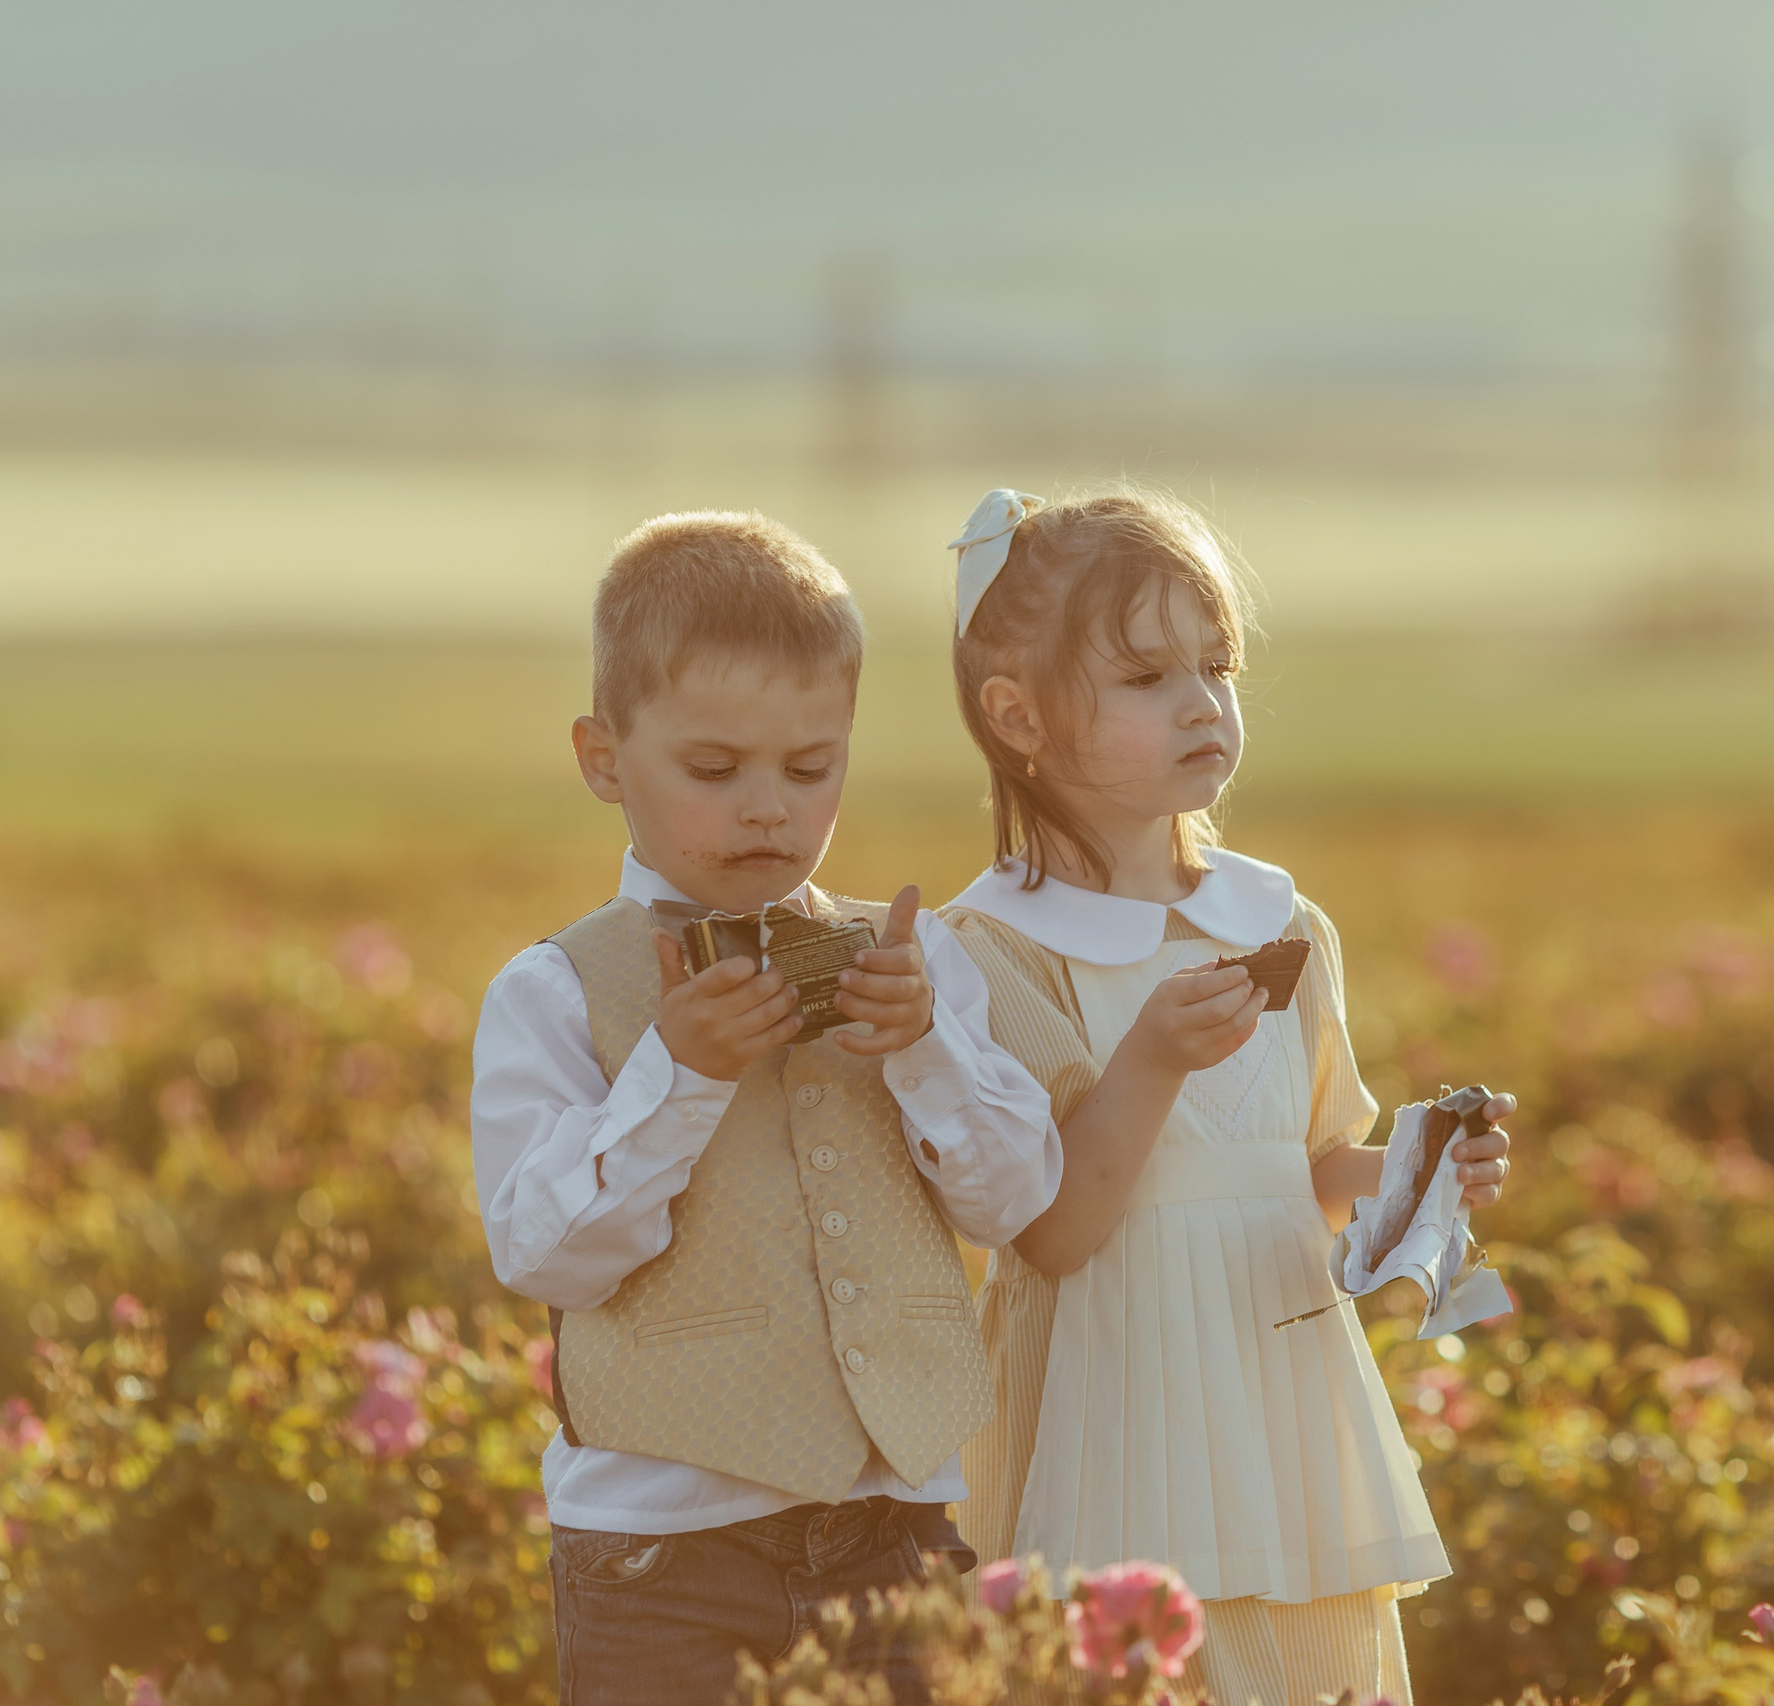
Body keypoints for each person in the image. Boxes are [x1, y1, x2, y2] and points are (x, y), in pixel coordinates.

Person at [470, 511, 1063, 1704]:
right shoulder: (551, 992)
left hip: (900, 1538)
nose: (766, 810)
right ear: (602, 758)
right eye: (713, 770)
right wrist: (677, 1077)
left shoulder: (915, 964)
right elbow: (547, 1254)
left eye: (809, 769)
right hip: (661, 1558)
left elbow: (1014, 1204)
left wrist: (924, 1050)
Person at [937, 488, 1517, 1706]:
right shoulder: (996, 951)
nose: (1201, 702)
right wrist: (1147, 1061)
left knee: (1310, 1664)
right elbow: (1054, 1232)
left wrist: (1415, 1171)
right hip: (1110, 1409)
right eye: (1144, 677)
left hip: (1279, 1400)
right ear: (1015, 715)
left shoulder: (1279, 921)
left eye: (1217, 664)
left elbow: (1305, 1172)